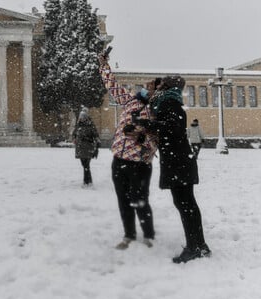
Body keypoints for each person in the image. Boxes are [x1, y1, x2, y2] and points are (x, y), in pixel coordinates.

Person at [137, 75, 211, 263]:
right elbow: (169, 127)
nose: (158, 86)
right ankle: (199, 245)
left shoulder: (169, 103)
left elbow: (172, 128)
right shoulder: (169, 102)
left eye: (161, 84)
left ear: (167, 86)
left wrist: (145, 124)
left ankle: (195, 247)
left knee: (186, 205)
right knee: (187, 205)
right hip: (179, 160)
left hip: (178, 161)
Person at [99, 55, 160, 250]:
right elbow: (112, 86)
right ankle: (129, 235)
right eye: (145, 86)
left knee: (140, 200)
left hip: (140, 164)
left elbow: (157, 141)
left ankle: (148, 235)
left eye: (149, 87)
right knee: (123, 200)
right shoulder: (130, 102)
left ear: (156, 92)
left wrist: (142, 138)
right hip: (119, 159)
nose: (144, 88)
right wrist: (103, 66)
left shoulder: (154, 112)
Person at [72, 109, 100, 187]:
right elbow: (74, 133)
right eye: (80, 117)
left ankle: (86, 182)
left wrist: (95, 142)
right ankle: (89, 181)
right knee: (84, 165)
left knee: (86, 165)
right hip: (80, 147)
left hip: (88, 147)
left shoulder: (90, 125)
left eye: (82, 117)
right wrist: (74, 138)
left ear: (86, 117)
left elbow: (95, 135)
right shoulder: (78, 125)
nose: (81, 118)